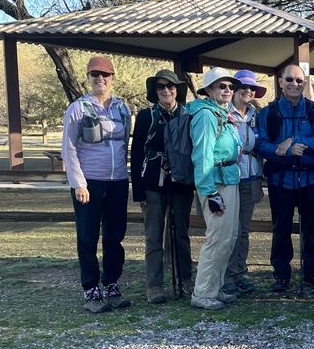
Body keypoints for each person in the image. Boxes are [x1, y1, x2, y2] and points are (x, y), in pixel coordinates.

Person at [62, 55, 133, 313]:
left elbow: (125, 143)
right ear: (89, 78)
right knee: (88, 235)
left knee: (115, 235)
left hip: (117, 180)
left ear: (113, 78)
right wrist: (78, 183)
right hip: (89, 182)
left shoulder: (123, 109)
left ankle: (112, 284)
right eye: (95, 75)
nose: (100, 79)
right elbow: (69, 148)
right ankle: (91, 290)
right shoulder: (78, 109)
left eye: (105, 75)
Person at [255, 64, 314, 294]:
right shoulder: (269, 113)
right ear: (281, 83)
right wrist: (280, 150)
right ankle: (281, 274)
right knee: (281, 228)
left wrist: (295, 142)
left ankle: (312, 272)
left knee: (311, 229)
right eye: (290, 80)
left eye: (299, 80)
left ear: (304, 83)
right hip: (280, 181)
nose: (295, 84)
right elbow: (261, 144)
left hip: (310, 179)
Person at [130, 68, 194, 304]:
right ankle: (154, 285)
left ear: (177, 89)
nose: (166, 90)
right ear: (154, 91)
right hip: (153, 182)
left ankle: (186, 278)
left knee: (182, 234)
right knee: (154, 235)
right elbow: (137, 153)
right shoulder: (146, 117)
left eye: (171, 86)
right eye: (161, 87)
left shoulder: (188, 116)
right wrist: (138, 191)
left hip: (181, 183)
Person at [187, 68, 242, 310]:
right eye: (221, 86)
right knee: (217, 238)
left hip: (229, 179)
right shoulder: (207, 116)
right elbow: (202, 156)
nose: (227, 90)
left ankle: (215, 288)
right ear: (209, 90)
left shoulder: (223, 114)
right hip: (216, 182)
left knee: (227, 239)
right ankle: (203, 292)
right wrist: (210, 193)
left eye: (230, 86)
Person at [222, 69, 265, 297]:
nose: (247, 91)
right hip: (229, 177)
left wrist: (259, 179)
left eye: (251, 88)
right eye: (243, 87)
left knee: (244, 230)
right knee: (230, 230)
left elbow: (258, 149)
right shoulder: (223, 113)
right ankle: (226, 275)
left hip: (250, 176)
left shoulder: (255, 115)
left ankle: (240, 271)